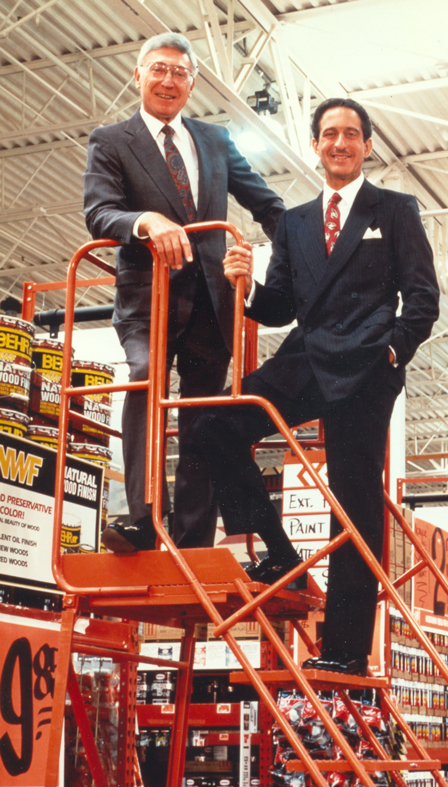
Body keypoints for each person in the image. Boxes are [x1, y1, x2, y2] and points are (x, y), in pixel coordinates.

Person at [189, 97, 440, 675]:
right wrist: (246, 288)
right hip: (306, 354)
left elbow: (422, 300)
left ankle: (347, 651)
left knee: (353, 506)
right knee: (213, 428)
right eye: (329, 134)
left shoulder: (395, 209)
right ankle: (279, 554)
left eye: (351, 134)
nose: (340, 143)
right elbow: (279, 308)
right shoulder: (295, 221)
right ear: (316, 145)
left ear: (368, 145)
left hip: (367, 368)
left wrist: (392, 353)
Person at [83, 32, 285, 552]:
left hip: (213, 302)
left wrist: (312, 247)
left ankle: (194, 537)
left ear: (192, 82)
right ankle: (141, 519)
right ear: (138, 75)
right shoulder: (111, 141)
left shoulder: (215, 140)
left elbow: (267, 203)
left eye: (179, 72)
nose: (169, 80)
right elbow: (99, 212)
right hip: (146, 298)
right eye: (159, 69)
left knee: (203, 416)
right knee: (144, 380)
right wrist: (146, 220)